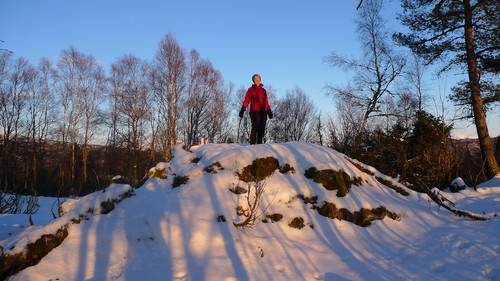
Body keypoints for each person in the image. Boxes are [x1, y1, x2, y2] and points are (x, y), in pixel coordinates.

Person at [239, 74, 273, 144]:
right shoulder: (251, 89)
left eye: (258, 78)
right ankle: (252, 143)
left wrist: (269, 111)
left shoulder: (264, 90)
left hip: (263, 111)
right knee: (255, 126)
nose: (256, 79)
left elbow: (266, 102)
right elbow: (247, 99)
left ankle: (259, 145)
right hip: (255, 111)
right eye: (255, 78)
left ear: (260, 79)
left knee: (262, 127)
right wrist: (243, 109)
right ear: (253, 80)